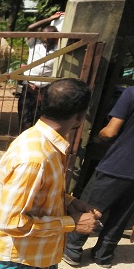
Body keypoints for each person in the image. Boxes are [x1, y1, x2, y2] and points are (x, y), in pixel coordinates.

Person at [0, 78, 102, 268]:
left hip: (34, 254)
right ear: (81, 115)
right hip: (16, 259)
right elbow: (11, 222)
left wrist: (70, 202)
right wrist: (71, 223)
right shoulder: (35, 159)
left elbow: (39, 194)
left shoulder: (47, 144)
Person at [63, 86, 134, 268]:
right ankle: (103, 255)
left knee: (91, 207)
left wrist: (97, 137)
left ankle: (72, 249)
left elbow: (110, 131)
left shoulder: (131, 92)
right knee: (122, 215)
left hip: (118, 164)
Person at [18, 12, 62, 131]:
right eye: (45, 34)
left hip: (45, 89)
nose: (47, 37)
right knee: (25, 118)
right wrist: (50, 18)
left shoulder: (58, 49)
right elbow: (30, 28)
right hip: (29, 87)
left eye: (52, 36)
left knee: (40, 120)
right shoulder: (34, 44)